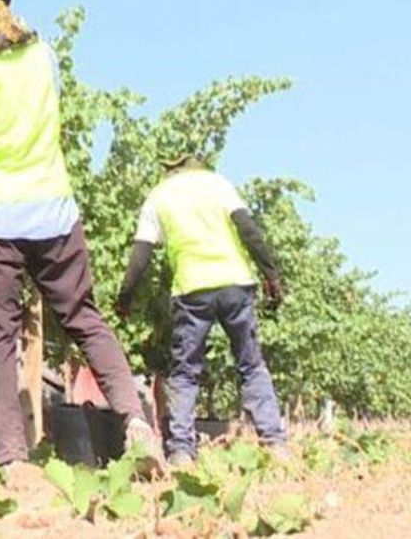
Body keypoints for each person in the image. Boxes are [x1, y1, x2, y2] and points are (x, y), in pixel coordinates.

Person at [0, 0, 163, 470]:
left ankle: (11, 459)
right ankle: (137, 424)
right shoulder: (43, 55)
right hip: (54, 209)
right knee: (84, 319)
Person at [116, 152, 288, 464]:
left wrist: (124, 297)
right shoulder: (218, 184)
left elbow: (141, 255)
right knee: (251, 364)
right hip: (236, 284)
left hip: (192, 290)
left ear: (171, 171)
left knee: (185, 371)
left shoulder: (158, 196)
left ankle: (181, 450)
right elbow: (248, 230)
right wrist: (271, 274)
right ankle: (274, 443)